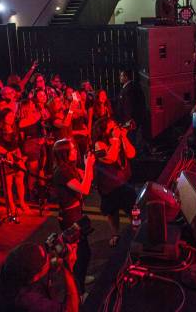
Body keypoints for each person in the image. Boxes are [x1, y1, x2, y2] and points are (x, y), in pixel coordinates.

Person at [52, 139, 95, 294]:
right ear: (64, 153)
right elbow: (85, 189)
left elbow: (86, 182)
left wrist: (86, 168)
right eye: (72, 149)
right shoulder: (62, 172)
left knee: (83, 252)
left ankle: (80, 279)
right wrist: (89, 165)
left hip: (76, 213)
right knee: (79, 255)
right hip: (70, 217)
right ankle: (79, 292)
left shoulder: (68, 168)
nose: (75, 151)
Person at [0, 242, 80, 312]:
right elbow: (72, 310)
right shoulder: (29, 300)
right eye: (45, 260)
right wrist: (68, 269)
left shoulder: (9, 270)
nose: (49, 256)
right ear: (34, 277)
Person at [92, 117, 136, 247]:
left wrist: (124, 137)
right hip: (109, 186)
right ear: (103, 132)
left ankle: (136, 233)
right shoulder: (99, 144)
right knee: (112, 211)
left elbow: (132, 154)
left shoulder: (118, 138)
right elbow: (110, 158)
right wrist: (116, 139)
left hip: (124, 182)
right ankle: (115, 234)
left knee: (132, 210)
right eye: (111, 128)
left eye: (115, 126)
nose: (115, 129)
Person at [0, 108, 29, 217]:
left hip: (17, 158)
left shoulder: (15, 128)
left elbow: (19, 143)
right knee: (8, 185)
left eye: (12, 116)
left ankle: (22, 203)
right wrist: (8, 155)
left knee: (20, 183)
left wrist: (22, 156)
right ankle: (11, 207)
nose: (11, 118)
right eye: (8, 116)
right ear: (3, 118)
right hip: (6, 160)